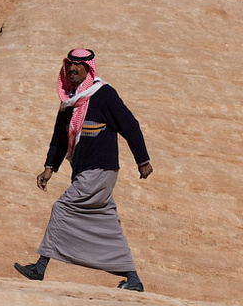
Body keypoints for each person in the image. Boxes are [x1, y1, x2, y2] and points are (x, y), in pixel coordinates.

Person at [14, 48, 153, 291]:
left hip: (100, 170)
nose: (73, 69)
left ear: (89, 69)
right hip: (84, 172)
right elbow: (59, 137)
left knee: (62, 207)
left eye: (79, 65)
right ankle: (133, 281)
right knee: (106, 223)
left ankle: (40, 267)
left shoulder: (103, 94)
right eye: (70, 65)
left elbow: (130, 125)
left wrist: (142, 160)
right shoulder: (69, 99)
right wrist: (49, 168)